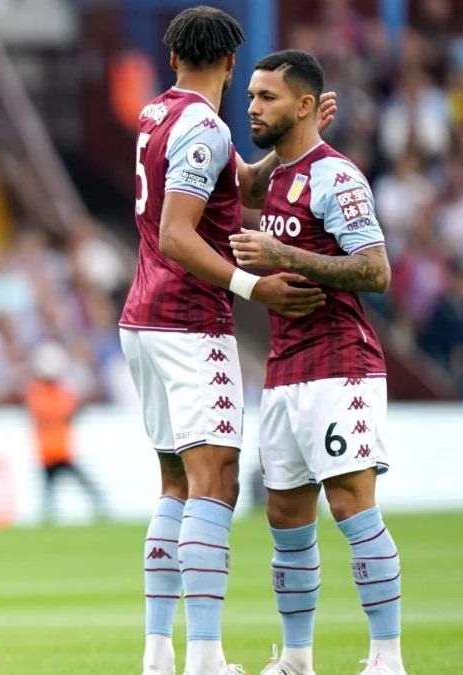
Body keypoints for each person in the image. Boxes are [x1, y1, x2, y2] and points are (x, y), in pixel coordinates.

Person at [117, 7, 336, 675]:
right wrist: (252, 286)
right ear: (233, 64)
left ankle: (158, 654)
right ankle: (205, 656)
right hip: (187, 319)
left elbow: (234, 187)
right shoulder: (205, 128)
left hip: (142, 319)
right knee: (217, 482)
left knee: (177, 484)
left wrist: (296, 137)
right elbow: (182, 233)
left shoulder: (158, 113)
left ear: (174, 56)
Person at [232, 49, 404, 675]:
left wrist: (287, 254)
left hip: (341, 364)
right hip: (285, 367)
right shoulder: (279, 172)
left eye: (266, 98)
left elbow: (376, 270)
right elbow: (244, 184)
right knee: (284, 514)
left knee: (352, 505)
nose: (252, 106)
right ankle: (298, 661)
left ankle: (387, 658)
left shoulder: (338, 178)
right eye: (250, 95)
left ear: (304, 105)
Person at [24, 341, 106, 523]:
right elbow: (62, 411)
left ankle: (49, 519)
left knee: (55, 489)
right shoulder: (41, 391)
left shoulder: (46, 390)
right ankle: (98, 506)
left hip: (58, 450)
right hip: (51, 451)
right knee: (66, 487)